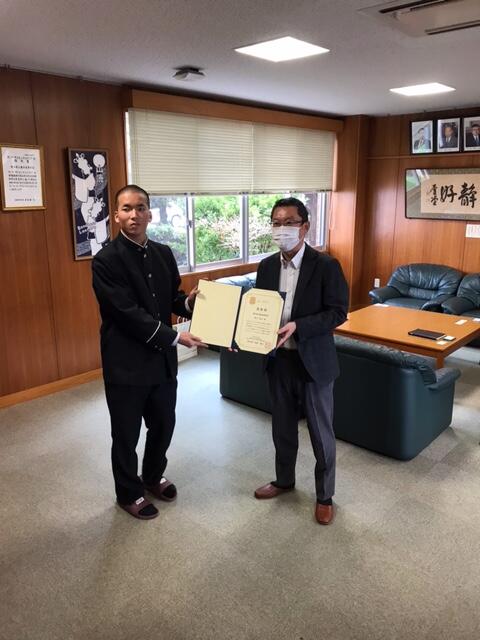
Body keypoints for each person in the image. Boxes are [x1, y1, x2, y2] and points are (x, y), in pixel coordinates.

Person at [92, 184, 206, 520]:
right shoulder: (105, 260)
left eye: (140, 208)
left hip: (161, 362)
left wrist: (189, 303)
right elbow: (126, 313)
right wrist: (175, 337)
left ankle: (153, 476)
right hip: (125, 364)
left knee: (163, 424)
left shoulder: (163, 253)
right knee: (125, 434)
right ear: (116, 215)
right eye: (126, 208)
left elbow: (171, 299)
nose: (134, 215)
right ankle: (128, 493)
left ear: (150, 214)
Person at [254, 197, 349, 525]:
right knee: (282, 428)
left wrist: (299, 326)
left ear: (305, 227)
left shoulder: (326, 266)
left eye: (289, 223)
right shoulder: (266, 266)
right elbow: (259, 310)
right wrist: (244, 336)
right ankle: (284, 480)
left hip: (314, 363)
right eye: (276, 223)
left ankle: (325, 496)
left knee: (321, 434)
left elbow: (338, 312)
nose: (282, 229)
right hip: (279, 361)